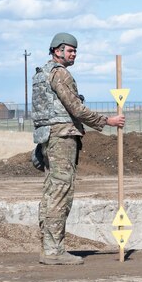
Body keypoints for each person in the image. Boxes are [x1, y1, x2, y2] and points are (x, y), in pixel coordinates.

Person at [31, 33, 125, 265]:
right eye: (69, 50)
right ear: (56, 51)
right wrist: (106, 121)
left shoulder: (42, 74)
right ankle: (53, 251)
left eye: (74, 51)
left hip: (47, 137)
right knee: (61, 192)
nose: (73, 54)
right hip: (61, 138)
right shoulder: (59, 73)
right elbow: (75, 108)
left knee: (51, 192)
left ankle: (49, 247)